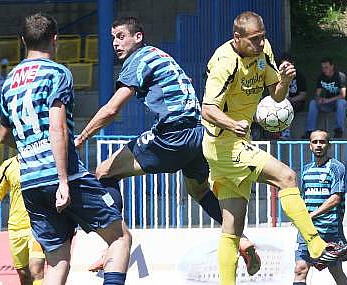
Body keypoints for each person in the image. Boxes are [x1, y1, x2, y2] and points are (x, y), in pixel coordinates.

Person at [75, 16, 261, 276]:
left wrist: (80, 139)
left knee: (104, 172)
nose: (115, 43)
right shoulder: (159, 55)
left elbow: (111, 110)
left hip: (173, 135)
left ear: (138, 37)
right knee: (198, 191)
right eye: (112, 38)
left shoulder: (137, 60)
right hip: (199, 134)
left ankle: (114, 244)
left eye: (120, 36)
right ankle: (241, 239)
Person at [200, 11, 347, 285]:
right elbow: (207, 108)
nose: (261, 44)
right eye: (254, 40)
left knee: (233, 227)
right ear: (238, 38)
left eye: (263, 38)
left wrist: (283, 80)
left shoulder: (264, 51)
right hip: (224, 143)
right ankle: (318, 246)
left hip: (235, 144)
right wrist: (232, 124)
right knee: (286, 177)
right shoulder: (224, 62)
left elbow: (277, 94)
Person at [0, 13, 131, 285]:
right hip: (64, 176)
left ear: (23, 40)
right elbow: (57, 128)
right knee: (119, 237)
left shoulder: (9, 81)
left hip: (30, 182)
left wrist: (29, 147)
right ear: (55, 40)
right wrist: (62, 179)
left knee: (57, 261)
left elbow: (4, 135)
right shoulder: (58, 73)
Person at [293, 129, 347, 285]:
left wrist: (311, 215)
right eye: (315, 142)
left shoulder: (336, 167)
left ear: (329, 145)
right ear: (310, 146)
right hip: (308, 231)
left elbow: (335, 198)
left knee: (336, 272)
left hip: (329, 230)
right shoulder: (306, 169)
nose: (318, 145)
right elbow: (304, 197)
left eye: (322, 142)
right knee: (300, 268)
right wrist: (301, 218)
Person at [0, 156, 45, 285]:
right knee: (23, 275)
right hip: (16, 227)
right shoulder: (8, 165)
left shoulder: (43, 159)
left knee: (36, 269)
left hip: (38, 225)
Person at [303, 58, 347, 139]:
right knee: (313, 103)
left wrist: (328, 100)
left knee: (340, 102)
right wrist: (319, 99)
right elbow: (317, 94)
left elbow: (343, 95)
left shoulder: (340, 76)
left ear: (332, 66)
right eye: (322, 67)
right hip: (328, 104)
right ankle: (309, 131)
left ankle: (338, 131)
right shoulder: (321, 77)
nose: (324, 70)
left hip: (341, 104)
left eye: (326, 67)